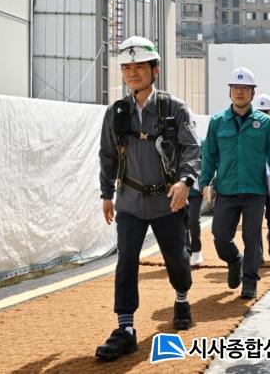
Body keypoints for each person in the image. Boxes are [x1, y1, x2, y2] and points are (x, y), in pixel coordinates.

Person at [96, 36, 201, 361]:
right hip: (129, 202)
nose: (132, 73)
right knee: (126, 262)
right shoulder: (116, 113)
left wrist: (185, 181)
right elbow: (107, 155)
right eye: (127, 67)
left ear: (155, 69)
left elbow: (192, 148)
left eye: (139, 66)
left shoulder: (174, 108)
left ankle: (181, 299)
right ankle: (125, 328)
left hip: (168, 202)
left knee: (177, 261)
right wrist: (106, 194)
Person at [201, 67, 270, 300]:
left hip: (255, 190)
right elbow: (209, 155)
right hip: (226, 190)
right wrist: (204, 182)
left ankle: (250, 280)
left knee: (252, 237)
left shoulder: (265, 124)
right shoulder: (217, 122)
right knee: (220, 236)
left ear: (253, 92)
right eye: (235, 88)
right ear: (230, 92)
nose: (240, 92)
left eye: (245, 88)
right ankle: (234, 260)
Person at [253, 93, 270, 260]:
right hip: (254, 180)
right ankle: (258, 253)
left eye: (266, 112)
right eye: (260, 112)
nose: (263, 115)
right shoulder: (248, 129)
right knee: (254, 219)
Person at [187, 138, 205, 266]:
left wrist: (207, 183)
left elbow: (207, 162)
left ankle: (196, 250)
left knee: (193, 220)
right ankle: (185, 252)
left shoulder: (201, 142)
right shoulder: (174, 141)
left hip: (196, 191)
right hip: (177, 189)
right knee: (179, 223)